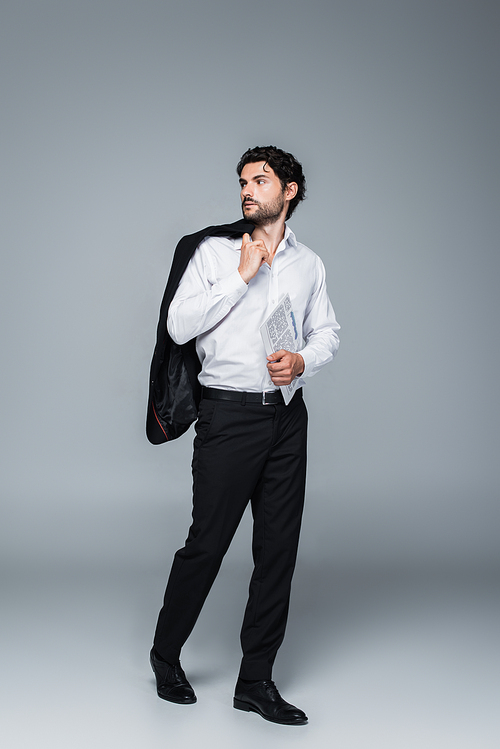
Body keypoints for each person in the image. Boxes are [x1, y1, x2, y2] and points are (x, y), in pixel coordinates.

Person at [149, 145, 340, 725]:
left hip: (286, 416)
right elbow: (178, 326)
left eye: (260, 180)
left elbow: (328, 331)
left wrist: (302, 361)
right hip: (228, 417)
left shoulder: (310, 264)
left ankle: (255, 681)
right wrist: (239, 277)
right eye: (242, 181)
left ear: (291, 191)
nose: (247, 190)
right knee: (207, 543)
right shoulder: (212, 252)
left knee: (277, 551)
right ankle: (165, 654)